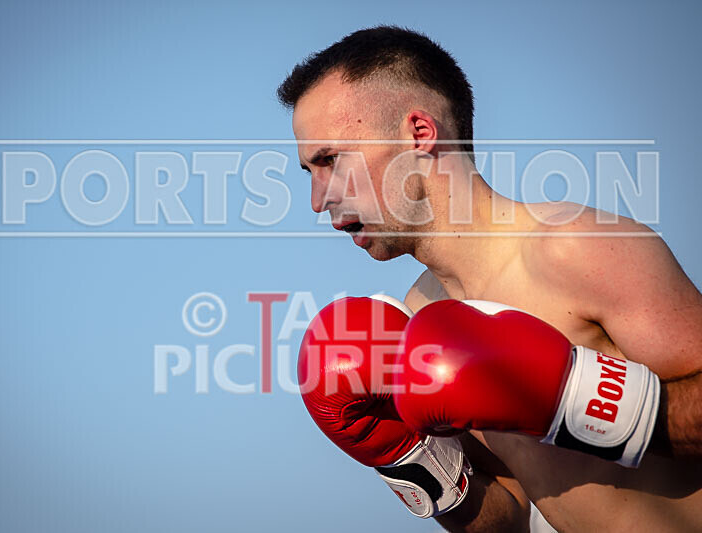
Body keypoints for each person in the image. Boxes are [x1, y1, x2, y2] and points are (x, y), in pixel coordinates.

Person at [279, 26, 702, 532]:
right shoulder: (416, 316)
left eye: (330, 160)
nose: (318, 198)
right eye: (310, 171)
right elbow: (511, 517)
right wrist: (407, 460)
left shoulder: (574, 249)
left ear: (419, 133)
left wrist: (569, 400)